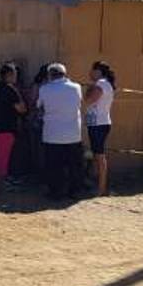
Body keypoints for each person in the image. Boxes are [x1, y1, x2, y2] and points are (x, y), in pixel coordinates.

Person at [35, 63, 85, 200]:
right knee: (74, 165)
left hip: (52, 134)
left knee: (54, 166)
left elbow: (39, 106)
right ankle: (75, 191)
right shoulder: (76, 87)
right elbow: (79, 103)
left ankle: (56, 192)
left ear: (50, 75)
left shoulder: (44, 89)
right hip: (73, 133)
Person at [0, 62, 27, 189]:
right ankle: (2, 180)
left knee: (1, 153)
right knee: (4, 154)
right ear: (9, 74)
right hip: (7, 126)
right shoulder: (10, 89)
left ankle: (4, 176)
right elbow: (21, 109)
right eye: (15, 74)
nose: (16, 76)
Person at [84, 60, 116, 196]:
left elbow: (89, 100)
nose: (90, 73)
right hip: (98, 123)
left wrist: (89, 89)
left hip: (98, 123)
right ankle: (99, 185)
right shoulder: (105, 83)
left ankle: (101, 188)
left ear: (98, 71)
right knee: (96, 155)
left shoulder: (101, 84)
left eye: (92, 70)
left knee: (99, 155)